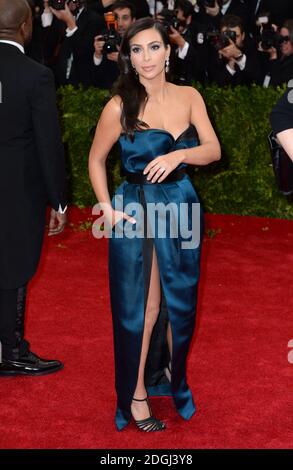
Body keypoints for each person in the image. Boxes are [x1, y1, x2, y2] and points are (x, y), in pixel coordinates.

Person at [89, 17, 221, 431]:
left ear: (168, 51)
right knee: (144, 307)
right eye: (136, 50)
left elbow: (213, 149)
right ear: (128, 57)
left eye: (153, 48)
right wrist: (106, 208)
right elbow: (96, 159)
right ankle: (136, 393)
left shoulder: (189, 95)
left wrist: (178, 156)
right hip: (138, 208)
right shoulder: (119, 105)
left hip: (181, 206)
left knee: (179, 301)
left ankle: (168, 377)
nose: (145, 58)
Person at [0, 0, 67, 376]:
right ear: (26, 25)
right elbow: (48, 142)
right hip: (18, 192)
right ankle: (11, 352)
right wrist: (58, 200)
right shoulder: (35, 75)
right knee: (13, 267)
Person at [93, 0, 136, 89]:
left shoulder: (140, 40)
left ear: (133, 20)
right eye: (116, 18)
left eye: (125, 18)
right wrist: (97, 55)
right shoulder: (104, 36)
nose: (120, 24)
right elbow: (94, 75)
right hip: (106, 92)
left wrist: (124, 60)